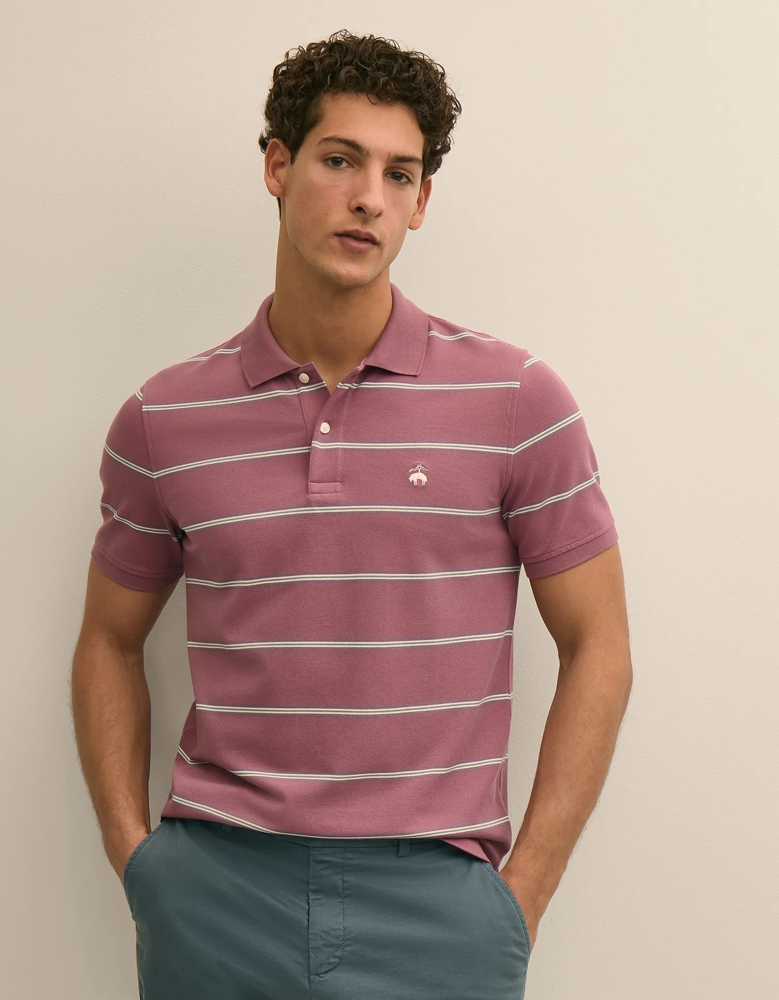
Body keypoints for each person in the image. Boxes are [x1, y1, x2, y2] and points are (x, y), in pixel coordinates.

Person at [71, 28, 632, 1000]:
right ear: (278, 167)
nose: (369, 195)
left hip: (438, 906)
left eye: (398, 173)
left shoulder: (515, 401)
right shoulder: (165, 418)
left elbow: (601, 647)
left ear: (420, 201)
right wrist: (142, 865)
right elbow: (108, 642)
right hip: (215, 894)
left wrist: (522, 893)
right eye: (339, 160)